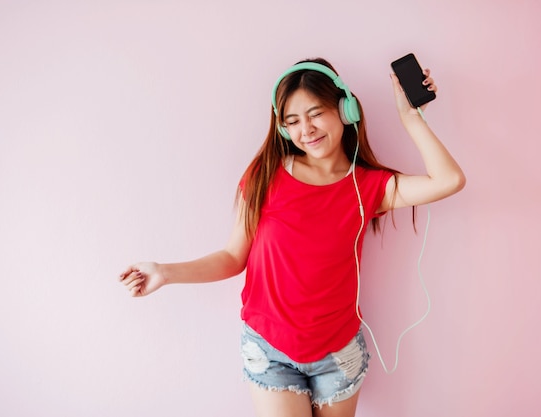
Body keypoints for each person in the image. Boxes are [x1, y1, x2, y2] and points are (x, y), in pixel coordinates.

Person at [119, 57, 465, 417]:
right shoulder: (265, 174)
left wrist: (411, 118)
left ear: (345, 110)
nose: (307, 130)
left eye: (315, 113)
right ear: (283, 128)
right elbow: (233, 257)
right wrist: (165, 272)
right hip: (270, 351)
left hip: (339, 353)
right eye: (293, 121)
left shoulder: (367, 187)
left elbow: (449, 180)